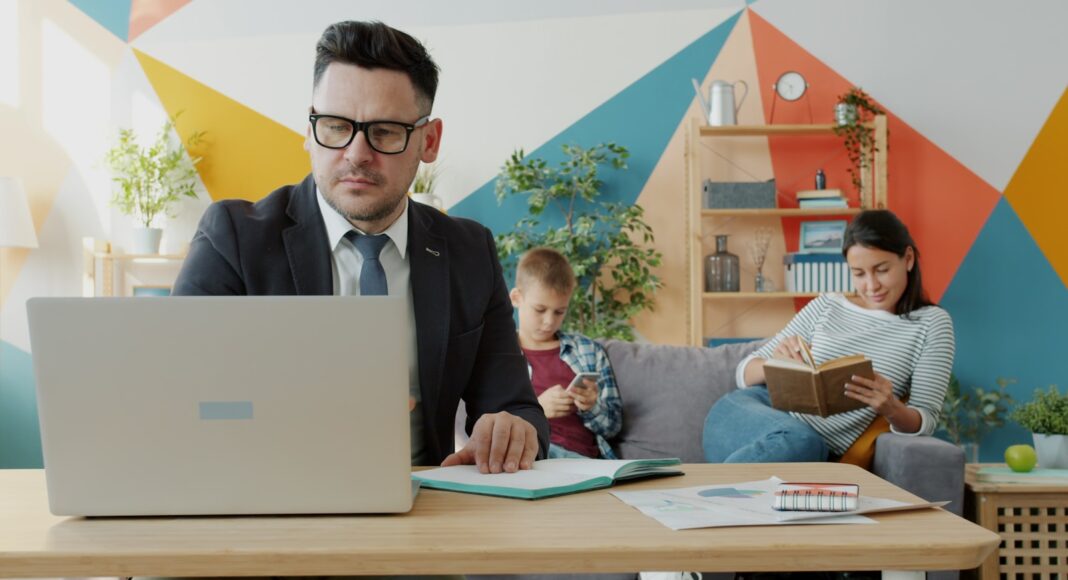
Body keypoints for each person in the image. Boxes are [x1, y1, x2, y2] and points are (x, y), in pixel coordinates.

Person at [173, 20, 549, 474]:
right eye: (334, 126)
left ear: (428, 142)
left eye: (385, 132)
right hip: (272, 499)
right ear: (309, 130)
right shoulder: (233, 237)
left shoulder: (469, 250)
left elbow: (517, 408)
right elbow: (182, 404)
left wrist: (512, 431)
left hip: (425, 509)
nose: (355, 153)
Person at [702, 209, 955, 463]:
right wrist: (776, 365)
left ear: (908, 258)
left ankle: (710, 494)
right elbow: (743, 373)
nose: (871, 285)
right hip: (749, 412)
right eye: (858, 274)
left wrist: (891, 408)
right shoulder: (827, 305)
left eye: (881, 270)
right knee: (801, 441)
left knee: (806, 444)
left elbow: (926, 419)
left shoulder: (931, 324)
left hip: (804, 450)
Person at [510, 247, 623, 459]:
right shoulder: (501, 355)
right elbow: (486, 423)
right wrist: (536, 409)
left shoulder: (589, 351)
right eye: (540, 310)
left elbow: (613, 427)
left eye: (559, 311)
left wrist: (591, 406)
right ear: (516, 298)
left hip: (582, 460)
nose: (549, 321)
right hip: (531, 456)